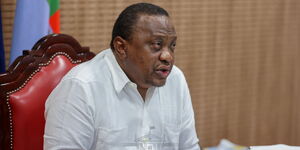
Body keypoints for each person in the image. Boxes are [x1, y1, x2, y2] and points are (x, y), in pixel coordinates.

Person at [44, 2, 201, 150]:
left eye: (172, 45)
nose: (168, 56)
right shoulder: (81, 87)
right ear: (121, 47)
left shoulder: (175, 80)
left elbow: (188, 146)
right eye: (157, 45)